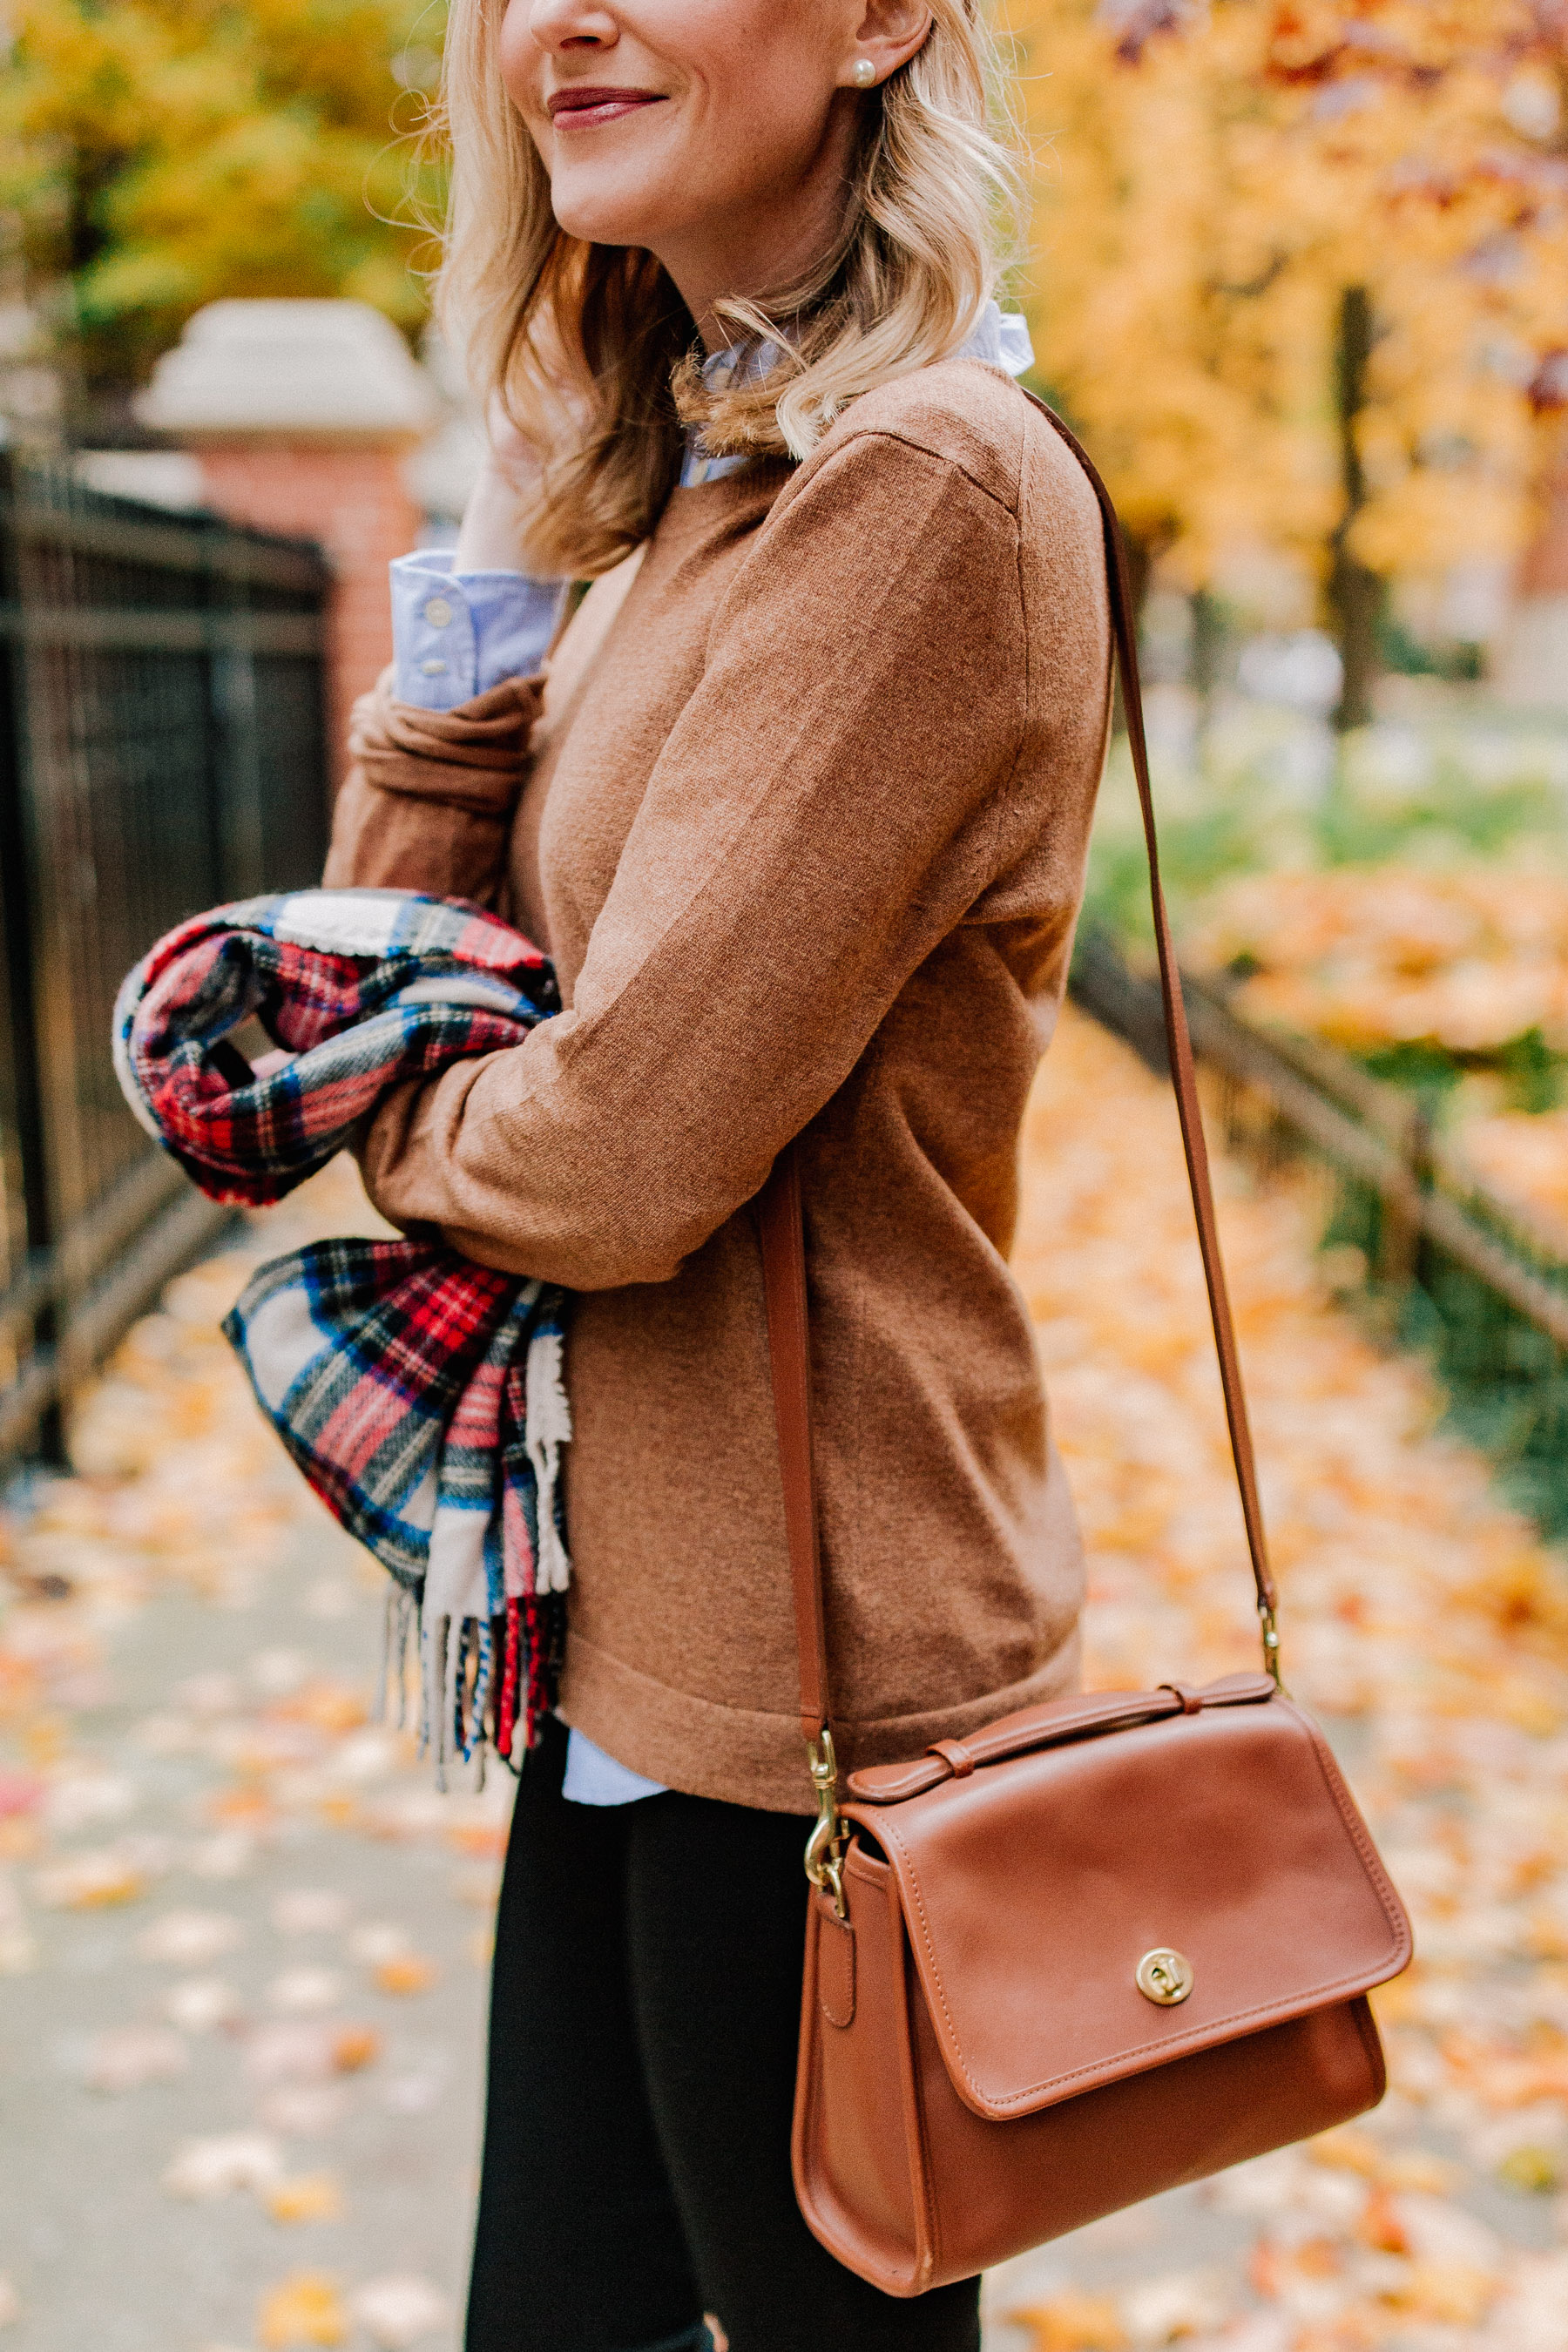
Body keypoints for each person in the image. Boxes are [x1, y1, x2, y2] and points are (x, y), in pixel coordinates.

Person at [324, 1, 1112, 2344]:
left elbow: (610, 1155)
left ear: (880, 21)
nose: (554, 15)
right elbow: (395, 964)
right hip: (644, 1625)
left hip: (821, 1693)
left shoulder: (920, 491)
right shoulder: (706, 480)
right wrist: (504, 526)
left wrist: (397, 1125)